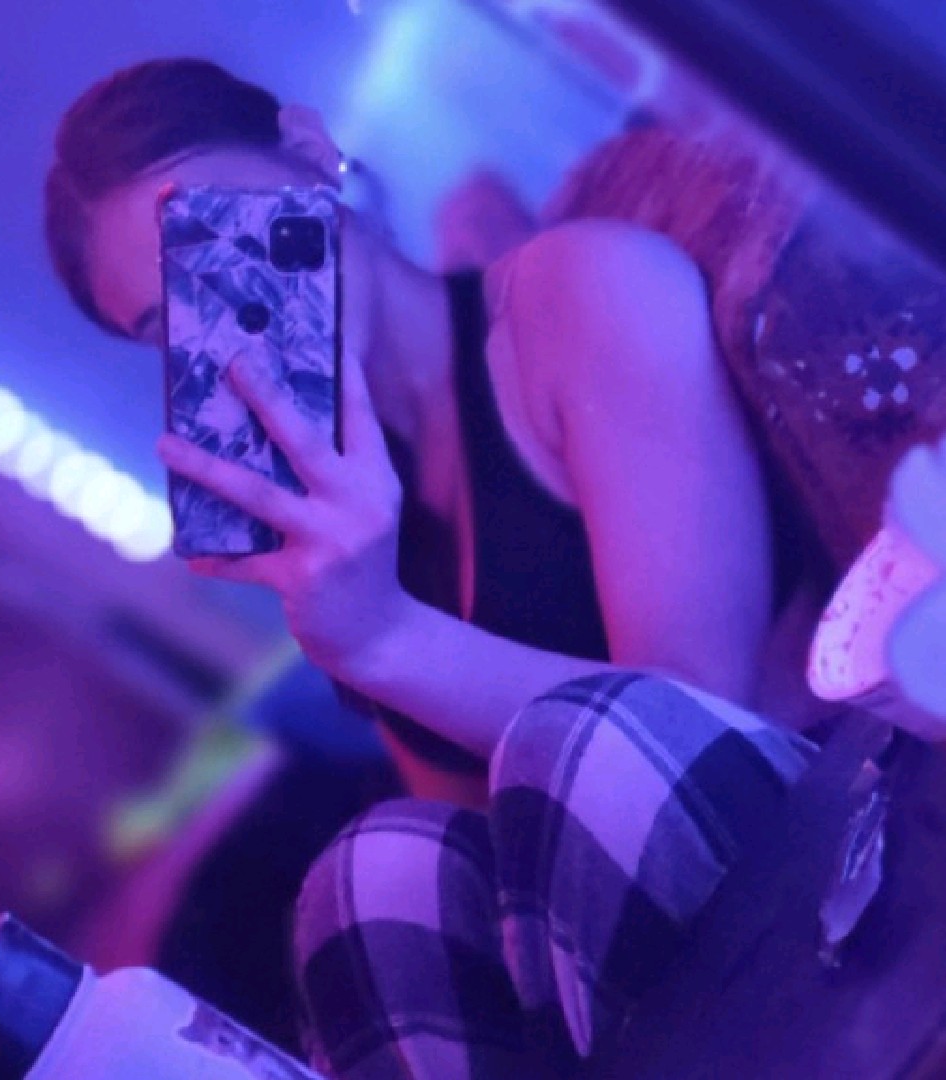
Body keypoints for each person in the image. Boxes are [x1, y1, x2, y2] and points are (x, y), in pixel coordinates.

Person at [45, 58, 818, 1078]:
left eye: (218, 235)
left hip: (793, 825)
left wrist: (382, 637)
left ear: (309, 153)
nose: (224, 314)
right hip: (615, 968)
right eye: (169, 321)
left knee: (591, 742)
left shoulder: (574, 294)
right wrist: (347, 630)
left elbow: (684, 720)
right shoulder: (343, 514)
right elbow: (484, 830)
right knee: (371, 874)